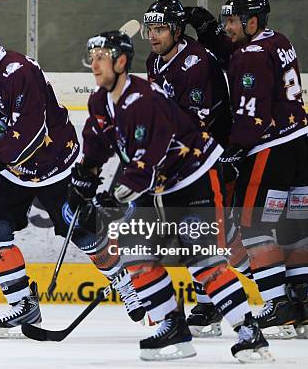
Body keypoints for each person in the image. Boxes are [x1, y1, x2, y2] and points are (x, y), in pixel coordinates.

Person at [0, 7, 148, 339]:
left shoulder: (19, 71)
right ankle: (23, 303)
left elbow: (32, 131)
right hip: (13, 170)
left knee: (85, 234)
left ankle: (124, 280)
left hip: (54, 163)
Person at [74, 30, 271, 362]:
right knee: (134, 252)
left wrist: (115, 197)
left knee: (203, 260)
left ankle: (249, 333)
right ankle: (172, 327)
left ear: (121, 62)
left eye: (101, 57)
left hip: (193, 179)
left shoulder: (144, 100)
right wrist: (86, 175)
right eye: (91, 57)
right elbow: (98, 144)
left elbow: (145, 161)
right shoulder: (100, 100)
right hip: (158, 185)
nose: (94, 64)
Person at [186, 0, 308, 339]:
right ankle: (300, 306)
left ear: (252, 22)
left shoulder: (250, 57)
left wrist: (233, 152)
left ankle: (276, 305)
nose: (228, 28)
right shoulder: (278, 41)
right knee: (294, 230)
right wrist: (213, 32)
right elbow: (240, 52)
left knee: (253, 228)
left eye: (231, 22)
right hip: (301, 144)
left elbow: (251, 116)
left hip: (271, 151)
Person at [143, 0, 253, 338]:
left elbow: (197, 120)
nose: (153, 35)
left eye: (160, 28)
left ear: (177, 30)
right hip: (179, 157)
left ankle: (269, 288)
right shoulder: (154, 60)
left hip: (210, 153)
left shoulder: (196, 62)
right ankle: (213, 302)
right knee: (198, 233)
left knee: (216, 234)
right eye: (150, 28)